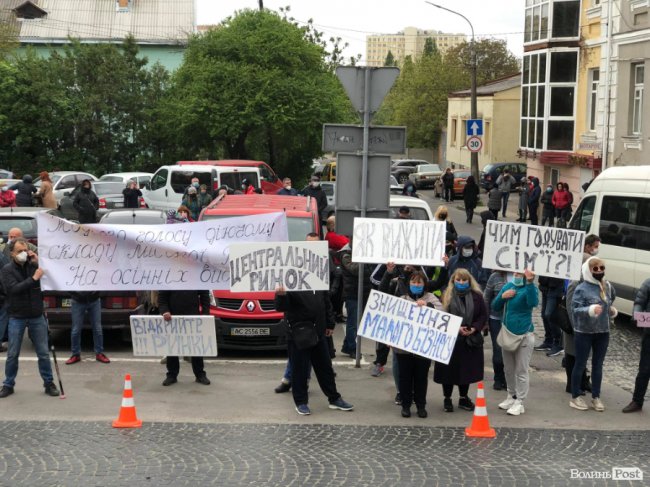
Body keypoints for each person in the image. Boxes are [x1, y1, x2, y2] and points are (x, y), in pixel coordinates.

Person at [274, 281, 354, 416]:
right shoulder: (289, 279)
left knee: (325, 367)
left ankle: (334, 398)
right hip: (298, 332)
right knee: (299, 369)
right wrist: (281, 295)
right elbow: (281, 307)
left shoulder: (316, 277)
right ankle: (301, 402)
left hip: (318, 331)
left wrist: (330, 323)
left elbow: (325, 301)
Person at [0, 238, 59, 398]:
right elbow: (13, 289)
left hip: (36, 315)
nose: (23, 254)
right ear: (12, 253)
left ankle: (48, 383)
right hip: (17, 316)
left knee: (43, 353)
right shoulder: (7, 270)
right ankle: (8, 384)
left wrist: (38, 261)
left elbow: (50, 274)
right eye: (19, 251)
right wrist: (33, 279)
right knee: (12, 353)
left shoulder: (34, 265)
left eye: (25, 250)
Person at [434, 269, 487, 412]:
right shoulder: (447, 295)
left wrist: (474, 328)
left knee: (466, 370)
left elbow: (483, 315)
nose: (461, 283)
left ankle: (464, 398)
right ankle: (447, 398)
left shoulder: (477, 296)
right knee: (448, 371)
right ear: (453, 281)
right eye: (458, 280)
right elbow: (442, 316)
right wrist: (456, 328)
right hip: (450, 338)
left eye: (464, 280)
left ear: (469, 281)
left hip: (469, 339)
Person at [569, 257, 616, 412]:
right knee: (580, 363)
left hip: (603, 331)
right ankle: (575, 396)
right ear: (588, 271)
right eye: (595, 269)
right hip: (584, 332)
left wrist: (611, 311)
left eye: (602, 268)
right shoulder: (581, 288)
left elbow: (609, 302)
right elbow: (575, 310)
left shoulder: (607, 286)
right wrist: (589, 310)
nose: (599, 271)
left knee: (598, 365)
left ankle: (596, 396)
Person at [491, 269, 538, 416]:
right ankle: (511, 396)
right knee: (509, 368)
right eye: (516, 274)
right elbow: (495, 306)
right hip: (508, 333)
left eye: (520, 275)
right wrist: (502, 297)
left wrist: (530, 283)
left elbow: (533, 302)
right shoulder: (508, 286)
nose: (516, 276)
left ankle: (520, 401)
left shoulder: (530, 288)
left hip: (524, 334)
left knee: (521, 370)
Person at [396, 271, 442, 418]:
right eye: (414, 282)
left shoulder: (431, 298)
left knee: (421, 378)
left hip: (424, 347)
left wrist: (428, 306)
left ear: (424, 284)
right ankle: (406, 405)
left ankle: (421, 405)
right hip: (404, 348)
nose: (416, 285)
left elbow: (443, 313)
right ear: (409, 283)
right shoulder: (402, 298)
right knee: (405, 378)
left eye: (419, 283)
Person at [562, 235, 600, 396]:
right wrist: (575, 326)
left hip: (585, 326)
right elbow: (571, 306)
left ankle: (582, 382)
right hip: (574, 326)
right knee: (572, 356)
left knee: (581, 356)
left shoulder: (591, 283)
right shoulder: (575, 282)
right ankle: (572, 384)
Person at [159, 288, 211, 387]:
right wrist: (164, 311)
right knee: (172, 346)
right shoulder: (169, 276)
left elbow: (204, 294)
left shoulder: (196, 275)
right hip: (172, 318)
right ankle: (171, 375)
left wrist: (205, 313)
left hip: (193, 317)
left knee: (196, 346)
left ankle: (200, 374)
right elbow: (162, 297)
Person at [339, 240, 372, 357]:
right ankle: (352, 348)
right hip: (352, 293)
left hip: (363, 292)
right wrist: (367, 258)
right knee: (353, 322)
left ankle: (347, 346)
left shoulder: (358, 253)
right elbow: (355, 269)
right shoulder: (346, 254)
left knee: (356, 321)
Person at [623, 278, 650, 413]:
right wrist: (637, 316)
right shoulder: (648, 282)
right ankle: (637, 401)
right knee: (644, 370)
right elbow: (639, 302)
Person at [65, 291, 110, 365]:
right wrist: (73, 293)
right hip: (77, 300)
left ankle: (99, 353)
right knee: (76, 330)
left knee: (97, 329)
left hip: (94, 299)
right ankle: (75, 354)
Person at [483, 270, 509, 391]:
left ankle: (509, 378)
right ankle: (498, 377)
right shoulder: (494, 277)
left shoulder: (520, 276)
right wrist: (485, 320)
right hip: (496, 319)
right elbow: (486, 298)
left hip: (513, 321)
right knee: (498, 350)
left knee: (511, 351)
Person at [534, 275, 565, 357]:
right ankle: (549, 340)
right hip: (545, 285)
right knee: (544, 315)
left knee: (550, 314)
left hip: (556, 286)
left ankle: (558, 343)